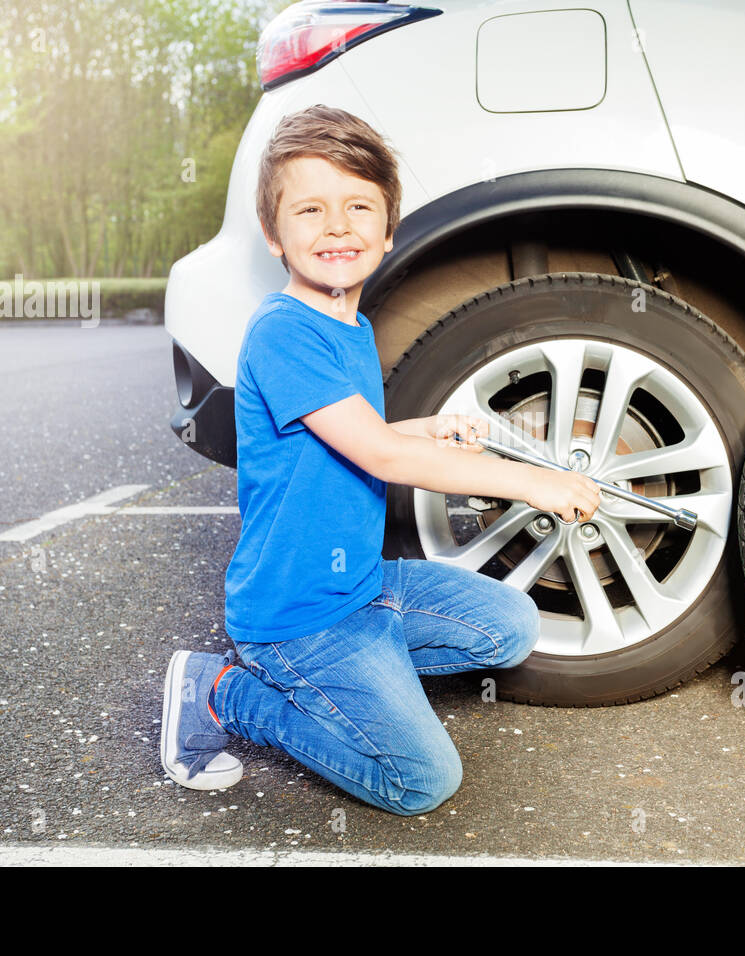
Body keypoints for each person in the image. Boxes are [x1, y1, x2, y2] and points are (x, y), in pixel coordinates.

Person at [159, 104, 601, 815]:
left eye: (358, 206)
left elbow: (348, 436)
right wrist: (534, 483)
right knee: (421, 782)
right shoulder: (283, 332)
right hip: (297, 617)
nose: (337, 226)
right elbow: (380, 454)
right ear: (273, 234)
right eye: (310, 209)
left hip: (365, 588)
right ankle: (224, 693)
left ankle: (363, 680)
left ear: (388, 228)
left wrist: (425, 429)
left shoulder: (350, 325)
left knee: (510, 627)